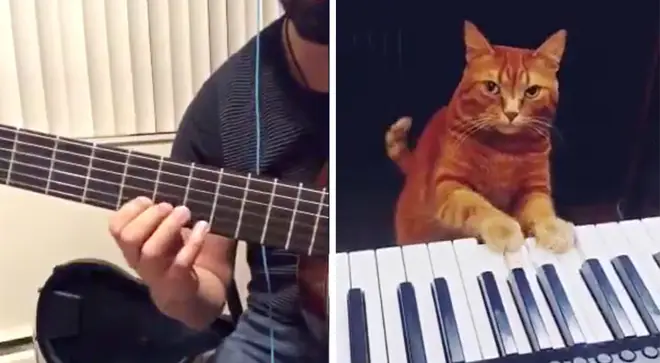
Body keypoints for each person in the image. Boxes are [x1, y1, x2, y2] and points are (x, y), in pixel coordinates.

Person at [107, 1, 329, 361]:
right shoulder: (228, 103)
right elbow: (203, 302)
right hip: (282, 335)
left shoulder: (442, 47)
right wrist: (174, 285)